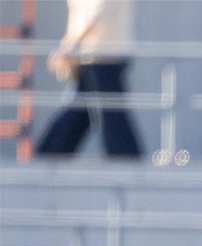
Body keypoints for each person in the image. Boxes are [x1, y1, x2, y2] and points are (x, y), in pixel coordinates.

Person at [36, 0, 143, 159]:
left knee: (110, 118)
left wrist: (67, 48)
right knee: (84, 113)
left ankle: (47, 158)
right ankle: (47, 157)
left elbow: (97, 13)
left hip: (105, 56)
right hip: (90, 56)